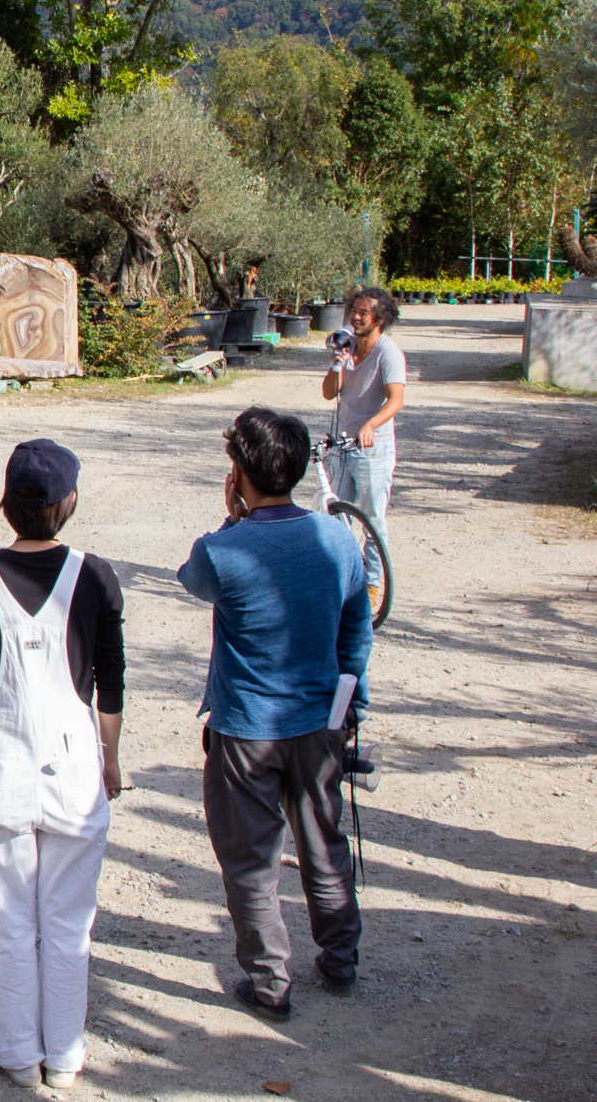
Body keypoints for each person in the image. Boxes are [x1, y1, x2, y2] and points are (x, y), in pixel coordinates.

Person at [0, 439, 125, 1091]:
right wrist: (112, 757)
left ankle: (18, 1048)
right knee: (70, 920)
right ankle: (66, 1054)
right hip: (74, 764)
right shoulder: (95, 575)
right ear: (68, 503)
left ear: (6, 503)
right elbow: (110, 679)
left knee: (8, 917)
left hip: (0, 764)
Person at [179, 406, 371, 1022]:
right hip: (318, 723)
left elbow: (192, 579)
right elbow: (355, 632)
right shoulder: (338, 539)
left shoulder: (221, 551)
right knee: (324, 842)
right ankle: (340, 960)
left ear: (237, 473)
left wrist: (233, 517)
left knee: (251, 860)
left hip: (243, 730)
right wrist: (351, 706)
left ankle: (268, 983)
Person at [321, 285, 405, 609]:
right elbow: (329, 393)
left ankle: (372, 584)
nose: (354, 317)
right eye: (352, 310)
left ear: (379, 318)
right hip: (343, 445)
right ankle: (344, 577)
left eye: (363, 312)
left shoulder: (389, 353)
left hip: (374, 449)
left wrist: (371, 424)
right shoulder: (347, 346)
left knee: (372, 520)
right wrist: (337, 364)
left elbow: (396, 400)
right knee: (335, 515)